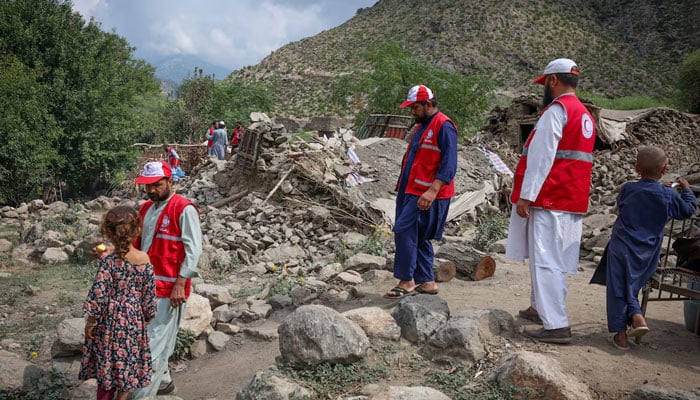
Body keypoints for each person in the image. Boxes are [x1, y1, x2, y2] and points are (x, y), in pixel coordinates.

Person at [505, 58, 596, 344]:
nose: (544, 87)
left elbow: (540, 159)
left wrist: (526, 196)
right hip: (570, 199)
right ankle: (538, 308)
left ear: (553, 81)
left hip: (550, 197)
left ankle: (556, 325)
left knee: (546, 260)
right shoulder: (585, 115)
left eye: (545, 81)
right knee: (553, 259)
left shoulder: (556, 111)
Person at [593, 146, 697, 350]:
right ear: (664, 169)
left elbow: (621, 205)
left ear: (636, 168)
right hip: (647, 252)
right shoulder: (668, 194)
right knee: (630, 285)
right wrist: (685, 190)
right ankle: (636, 316)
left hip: (621, 245)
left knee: (618, 287)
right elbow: (688, 210)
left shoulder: (628, 189)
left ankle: (623, 334)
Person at [127, 160, 202, 397]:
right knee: (153, 339)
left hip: (169, 289)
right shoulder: (146, 209)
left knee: (149, 345)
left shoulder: (184, 209)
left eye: (156, 185)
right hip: (145, 286)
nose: (150, 191)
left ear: (170, 182)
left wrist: (181, 284)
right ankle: (164, 382)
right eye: (147, 186)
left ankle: (143, 395)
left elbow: (193, 250)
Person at [383, 84, 458, 299]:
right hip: (411, 190)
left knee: (404, 231)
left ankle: (406, 280)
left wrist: (432, 191)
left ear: (427, 104)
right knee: (419, 236)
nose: (411, 112)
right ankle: (426, 281)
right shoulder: (421, 127)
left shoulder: (444, 126)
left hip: (426, 193)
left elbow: (449, 164)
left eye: (415, 107)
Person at [80, 205, 156, 400]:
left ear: (108, 232)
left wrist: (91, 322)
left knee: (107, 368)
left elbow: (99, 294)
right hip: (133, 321)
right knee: (128, 365)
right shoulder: (144, 259)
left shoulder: (109, 261)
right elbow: (149, 295)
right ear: (138, 230)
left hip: (109, 322)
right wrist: (146, 316)